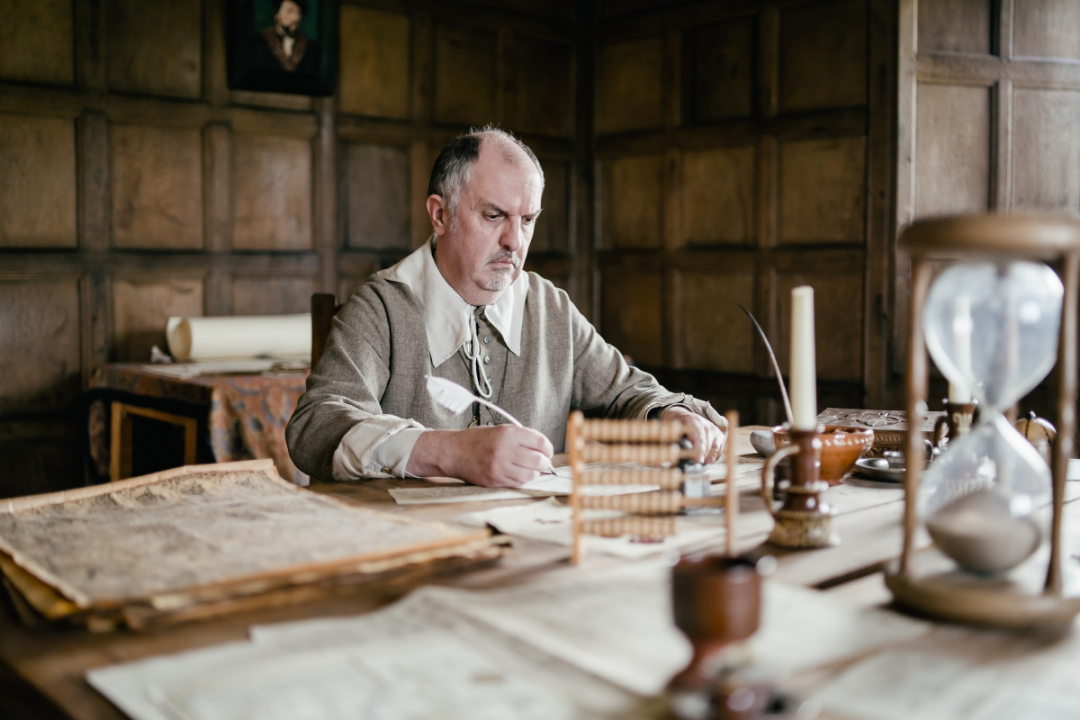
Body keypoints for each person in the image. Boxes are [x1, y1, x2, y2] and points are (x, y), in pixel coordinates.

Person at [287, 127, 727, 487]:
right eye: (494, 215)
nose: (515, 242)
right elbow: (315, 425)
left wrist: (672, 413)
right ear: (440, 216)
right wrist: (445, 452)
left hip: (531, 552)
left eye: (528, 220)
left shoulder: (548, 305)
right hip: (411, 552)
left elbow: (628, 392)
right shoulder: (381, 306)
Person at [256, 0, 314, 74]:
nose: (296, 17)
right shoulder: (259, 42)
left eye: (299, 12)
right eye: (290, 11)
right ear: (276, 15)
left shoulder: (310, 46)